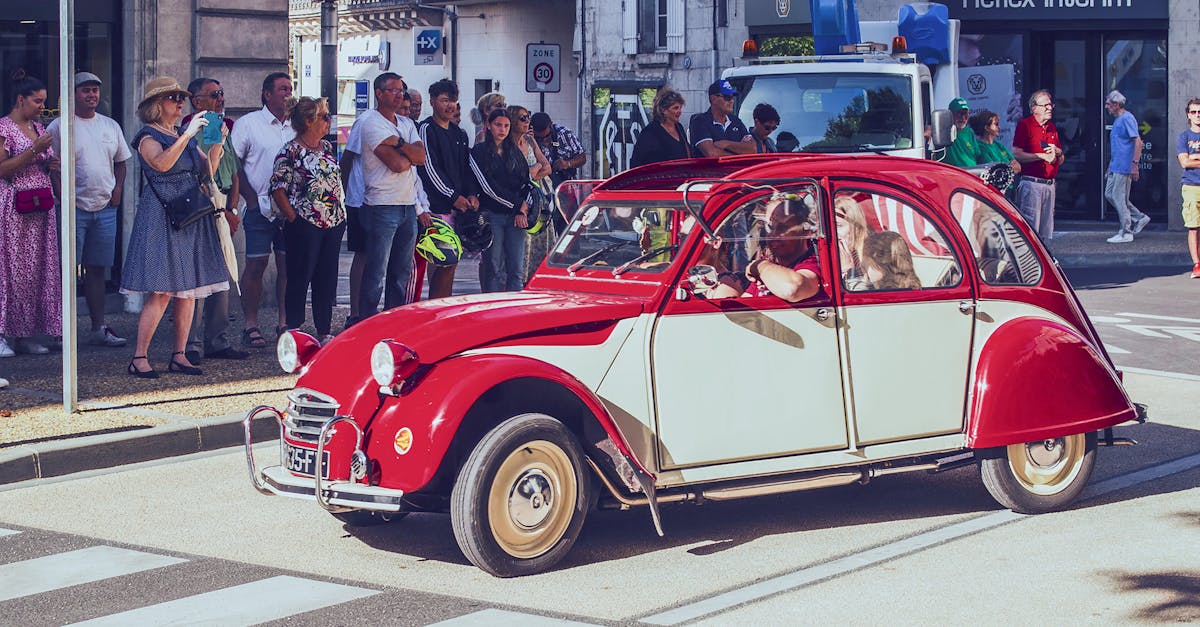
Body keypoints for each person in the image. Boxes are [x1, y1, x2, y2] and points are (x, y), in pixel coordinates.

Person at [122, 76, 229, 378]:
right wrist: (188, 136)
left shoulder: (182, 132)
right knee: (162, 290)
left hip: (190, 214)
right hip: (162, 216)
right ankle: (139, 356)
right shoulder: (147, 136)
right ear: (157, 105)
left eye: (180, 98)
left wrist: (217, 144)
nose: (180, 102)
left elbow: (206, 173)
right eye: (173, 98)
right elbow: (161, 164)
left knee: (189, 291)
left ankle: (179, 355)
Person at [46, 72, 130, 349]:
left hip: (105, 208)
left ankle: (98, 327)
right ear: (73, 95)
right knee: (65, 270)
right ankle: (59, 330)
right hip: (73, 209)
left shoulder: (110, 125)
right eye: (85, 91)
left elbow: (121, 162)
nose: (91, 95)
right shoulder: (59, 127)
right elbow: (51, 165)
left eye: (95, 90)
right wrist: (62, 195)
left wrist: (118, 190)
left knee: (97, 269)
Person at [180, 77, 247, 363]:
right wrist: (225, 209)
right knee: (202, 277)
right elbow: (208, 172)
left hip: (224, 205)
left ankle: (215, 340)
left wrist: (234, 205)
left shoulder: (221, 124)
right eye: (214, 94)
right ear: (197, 101)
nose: (221, 98)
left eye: (221, 93)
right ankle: (193, 344)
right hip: (208, 206)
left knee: (222, 275)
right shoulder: (204, 124)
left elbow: (232, 170)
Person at [270, 97, 346, 344]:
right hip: (304, 223)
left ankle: (324, 329)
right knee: (300, 276)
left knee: (327, 277)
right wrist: (293, 218)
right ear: (307, 121)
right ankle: (293, 328)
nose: (328, 121)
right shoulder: (290, 151)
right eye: (324, 117)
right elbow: (278, 187)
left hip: (332, 222)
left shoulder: (326, 148)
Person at [358, 72, 429, 318]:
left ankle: (393, 321)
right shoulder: (372, 123)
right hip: (382, 204)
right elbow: (397, 165)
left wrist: (398, 143)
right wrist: (407, 151)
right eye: (394, 90)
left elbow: (420, 158)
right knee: (377, 271)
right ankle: (366, 321)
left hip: (408, 204)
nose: (400, 96)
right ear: (379, 93)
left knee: (401, 271)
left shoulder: (407, 124)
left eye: (402, 91)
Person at [231, 72, 294, 348]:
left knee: (287, 266)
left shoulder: (297, 124)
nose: (288, 93)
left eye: (290, 88)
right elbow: (233, 164)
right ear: (267, 94)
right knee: (256, 264)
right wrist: (251, 199)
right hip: (260, 207)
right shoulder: (248, 124)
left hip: (291, 208)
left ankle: (284, 322)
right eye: (282, 89)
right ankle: (251, 324)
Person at [0, 73, 60, 358]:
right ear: (20, 99)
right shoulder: (4, 128)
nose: (41, 106)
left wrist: (50, 163)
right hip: (13, 209)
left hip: (40, 208)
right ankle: (2, 334)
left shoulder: (38, 127)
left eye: (44, 101)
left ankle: (25, 334)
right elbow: (2, 168)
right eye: (37, 100)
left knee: (34, 272)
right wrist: (34, 150)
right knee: (8, 270)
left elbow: (40, 160)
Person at [416, 79, 480, 300]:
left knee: (452, 263)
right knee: (441, 260)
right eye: (445, 100)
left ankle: (443, 308)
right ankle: (434, 309)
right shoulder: (425, 129)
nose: (450, 105)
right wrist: (453, 196)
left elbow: (467, 168)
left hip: (458, 209)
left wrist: (471, 194)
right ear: (432, 101)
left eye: (453, 101)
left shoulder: (460, 134)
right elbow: (429, 167)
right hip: (436, 208)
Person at [709, 197, 822, 303]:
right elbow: (745, 303)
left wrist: (760, 266)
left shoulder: (812, 263)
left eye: (784, 227)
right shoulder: (772, 267)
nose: (773, 234)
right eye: (770, 227)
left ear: (806, 232)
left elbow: (793, 289)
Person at [470, 108, 532, 292]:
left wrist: (522, 209)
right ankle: (492, 309)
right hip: (492, 215)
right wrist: (516, 205)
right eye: (498, 125)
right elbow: (487, 187)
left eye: (506, 125)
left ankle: (514, 311)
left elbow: (526, 182)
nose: (502, 130)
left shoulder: (514, 151)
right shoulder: (479, 152)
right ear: (488, 126)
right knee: (493, 268)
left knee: (516, 270)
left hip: (516, 217)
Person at [508, 104, 554, 281]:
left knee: (543, 237)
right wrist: (533, 171)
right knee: (524, 240)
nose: (527, 121)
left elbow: (547, 166)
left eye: (528, 117)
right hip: (521, 198)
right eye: (522, 118)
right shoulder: (508, 144)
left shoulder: (530, 140)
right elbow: (518, 175)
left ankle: (538, 277)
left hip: (538, 197)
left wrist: (532, 172)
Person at [1011, 89, 1064, 241]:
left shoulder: (1052, 128)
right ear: (1034, 108)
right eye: (1045, 105)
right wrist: (1040, 156)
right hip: (1032, 184)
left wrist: (1058, 152)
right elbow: (1016, 153)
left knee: (1046, 234)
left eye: (1050, 105)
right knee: (1030, 231)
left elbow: (1061, 159)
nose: (1050, 108)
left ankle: (1044, 262)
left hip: (1050, 185)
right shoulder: (1025, 125)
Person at [1103, 90, 1150, 244]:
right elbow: (1118, 146)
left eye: (1109, 104)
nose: (1106, 107)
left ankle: (1126, 232)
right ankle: (1139, 217)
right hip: (1116, 166)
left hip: (1124, 167)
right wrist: (1110, 166)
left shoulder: (1127, 118)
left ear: (1117, 105)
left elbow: (1137, 142)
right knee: (1111, 195)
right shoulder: (1118, 120)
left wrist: (1134, 165)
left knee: (1118, 197)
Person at [689, 79, 755, 158]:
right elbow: (711, 154)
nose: (732, 101)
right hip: (710, 170)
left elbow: (752, 150)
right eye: (727, 97)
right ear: (713, 99)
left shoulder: (736, 121)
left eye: (732, 97)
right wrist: (739, 153)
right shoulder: (700, 121)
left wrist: (726, 144)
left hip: (736, 170)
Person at [630, 88, 691, 168]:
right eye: (675, 108)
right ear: (664, 110)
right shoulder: (650, 132)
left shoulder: (679, 127)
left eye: (680, 108)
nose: (680, 111)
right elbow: (637, 162)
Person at [1177, 98, 1200, 278]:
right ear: (1188, 115)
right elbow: (1184, 162)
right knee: (1193, 227)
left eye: (1199, 112)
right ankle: (1197, 264)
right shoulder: (1184, 137)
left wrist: (1195, 159)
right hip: (1191, 186)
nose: (1197, 115)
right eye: (1193, 112)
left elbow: (1190, 160)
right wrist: (1191, 160)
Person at [834, 195, 872, 288]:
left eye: (838, 226)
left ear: (855, 228)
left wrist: (849, 269)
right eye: (830, 227)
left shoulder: (873, 258)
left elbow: (862, 297)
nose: (833, 233)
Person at [942, 97, 978, 168]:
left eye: (965, 114)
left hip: (972, 172)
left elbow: (977, 154)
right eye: (959, 113)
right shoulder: (944, 130)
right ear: (950, 114)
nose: (962, 117)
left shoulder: (969, 132)